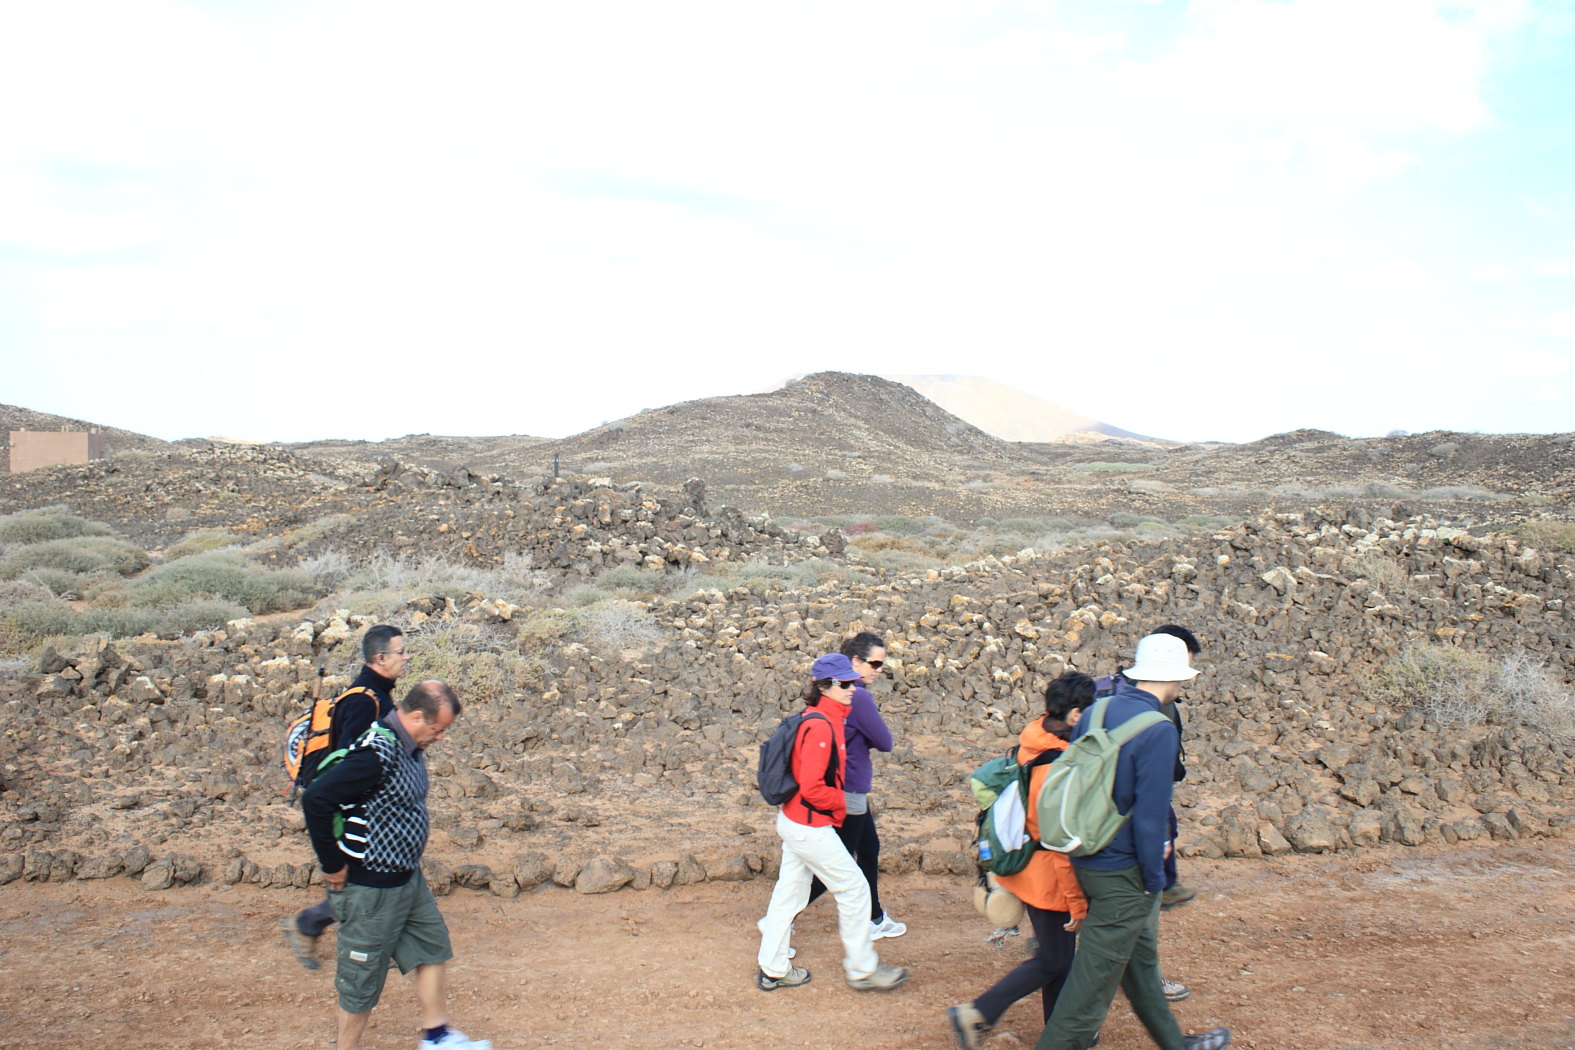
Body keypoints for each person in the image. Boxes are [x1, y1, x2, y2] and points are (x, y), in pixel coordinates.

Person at [1034, 635, 1231, 1050]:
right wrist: (1154, 881)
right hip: (1123, 872)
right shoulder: (1158, 729)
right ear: (1176, 677)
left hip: (1086, 855)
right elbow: (1150, 815)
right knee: (1088, 991)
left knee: (1139, 966)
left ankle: (1176, 1044)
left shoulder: (1098, 709)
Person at [302, 680, 490, 1050]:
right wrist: (332, 864)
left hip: (407, 879)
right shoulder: (376, 753)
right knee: (360, 984)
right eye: (437, 729)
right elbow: (316, 799)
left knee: (432, 949)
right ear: (416, 717)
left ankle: (436, 1038)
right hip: (370, 888)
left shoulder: (410, 746)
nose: (440, 737)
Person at [948, 672, 1094, 1050]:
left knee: (1058, 956)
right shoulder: (1057, 763)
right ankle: (977, 1013)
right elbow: (1058, 840)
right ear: (1076, 715)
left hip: (1026, 866)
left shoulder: (1036, 735)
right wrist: (1076, 902)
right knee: (1053, 960)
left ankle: (1062, 1031)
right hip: (1047, 877)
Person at [755, 653, 909, 993]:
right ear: (823, 687)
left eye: (852, 681)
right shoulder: (822, 726)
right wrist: (841, 805)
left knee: (789, 895)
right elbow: (812, 787)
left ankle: (773, 969)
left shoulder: (820, 718)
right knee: (855, 889)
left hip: (794, 821)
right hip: (809, 827)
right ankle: (862, 969)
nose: (852, 687)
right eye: (844, 683)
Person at [282, 624, 412, 970]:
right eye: (401, 651)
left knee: (367, 883)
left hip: (369, 811)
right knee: (362, 885)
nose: (406, 657)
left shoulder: (376, 695)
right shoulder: (363, 701)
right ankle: (309, 925)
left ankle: (313, 926)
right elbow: (349, 762)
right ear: (380, 658)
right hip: (359, 814)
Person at [1095, 624, 1201, 1002]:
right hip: (1128, 828)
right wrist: (1156, 870)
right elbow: (1157, 787)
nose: (1186, 678)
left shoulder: (1106, 697)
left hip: (1090, 823)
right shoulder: (1158, 707)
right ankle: (1147, 982)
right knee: (1143, 908)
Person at [804, 632, 904, 939]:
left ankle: (874, 917)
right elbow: (885, 742)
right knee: (838, 863)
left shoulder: (837, 692)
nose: (879, 670)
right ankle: (781, 916)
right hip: (849, 790)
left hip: (844, 787)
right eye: (874, 663)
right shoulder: (858, 696)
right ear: (855, 661)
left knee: (869, 849)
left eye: (881, 664)